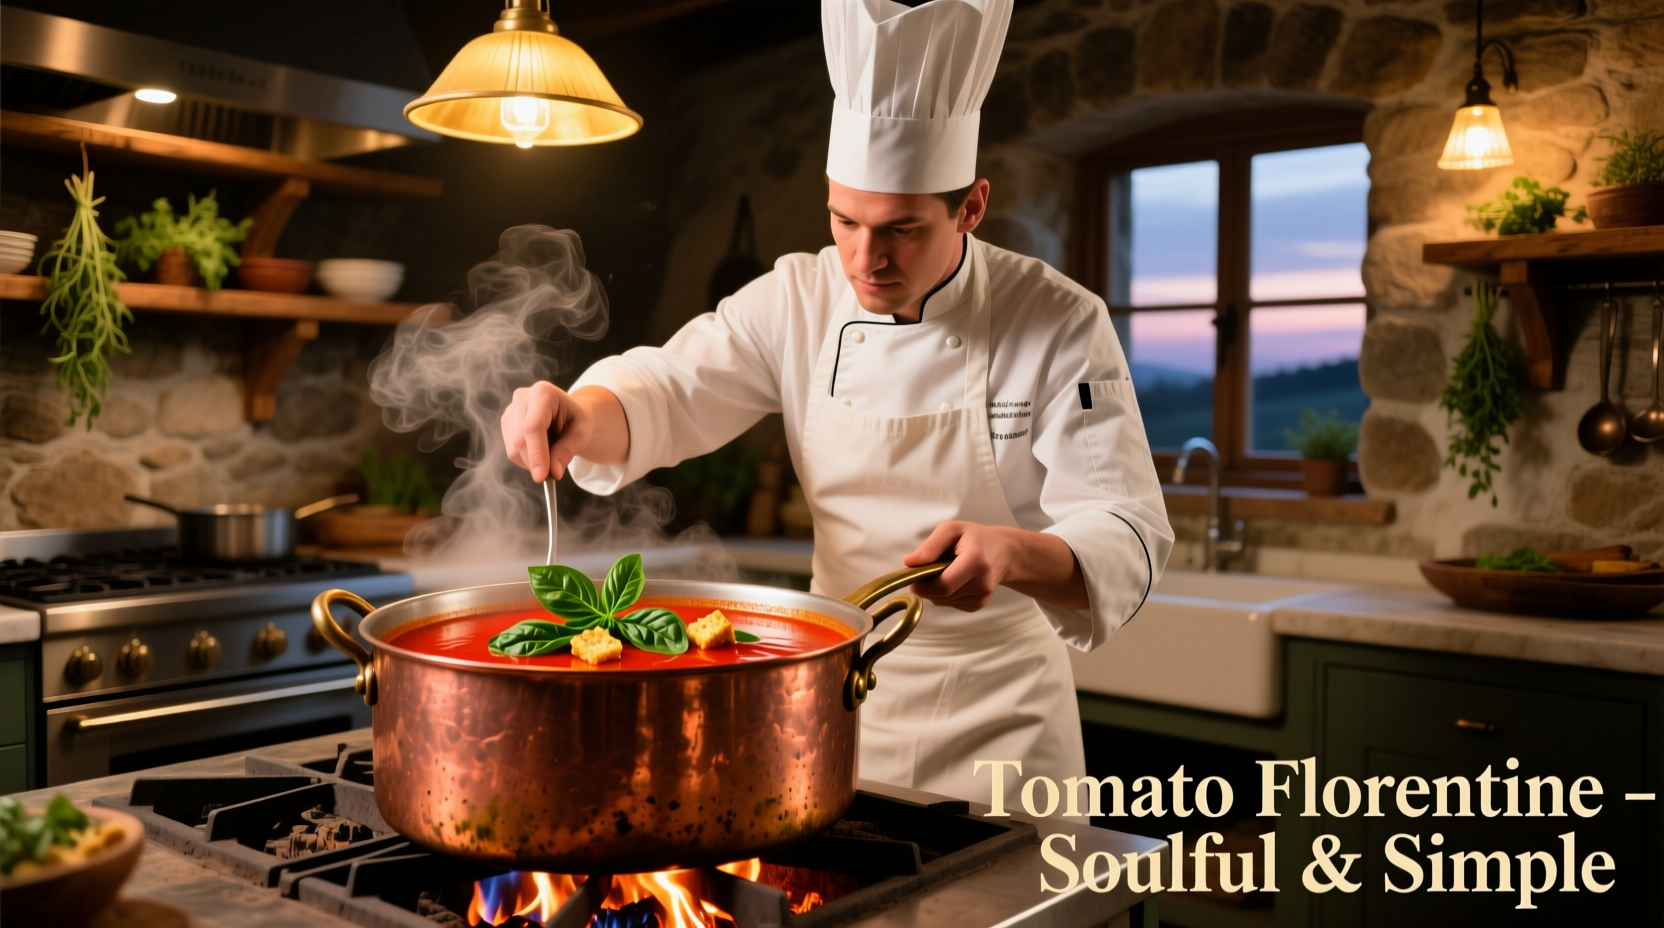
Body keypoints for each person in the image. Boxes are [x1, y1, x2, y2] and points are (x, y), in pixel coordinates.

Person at [501, 0, 1172, 808]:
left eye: (902, 230)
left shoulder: (1058, 320)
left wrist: (1012, 553)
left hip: (1004, 722)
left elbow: (1127, 530)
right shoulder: (799, 298)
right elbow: (671, 389)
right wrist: (582, 412)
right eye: (844, 220)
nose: (865, 258)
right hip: (832, 707)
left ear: (971, 207)